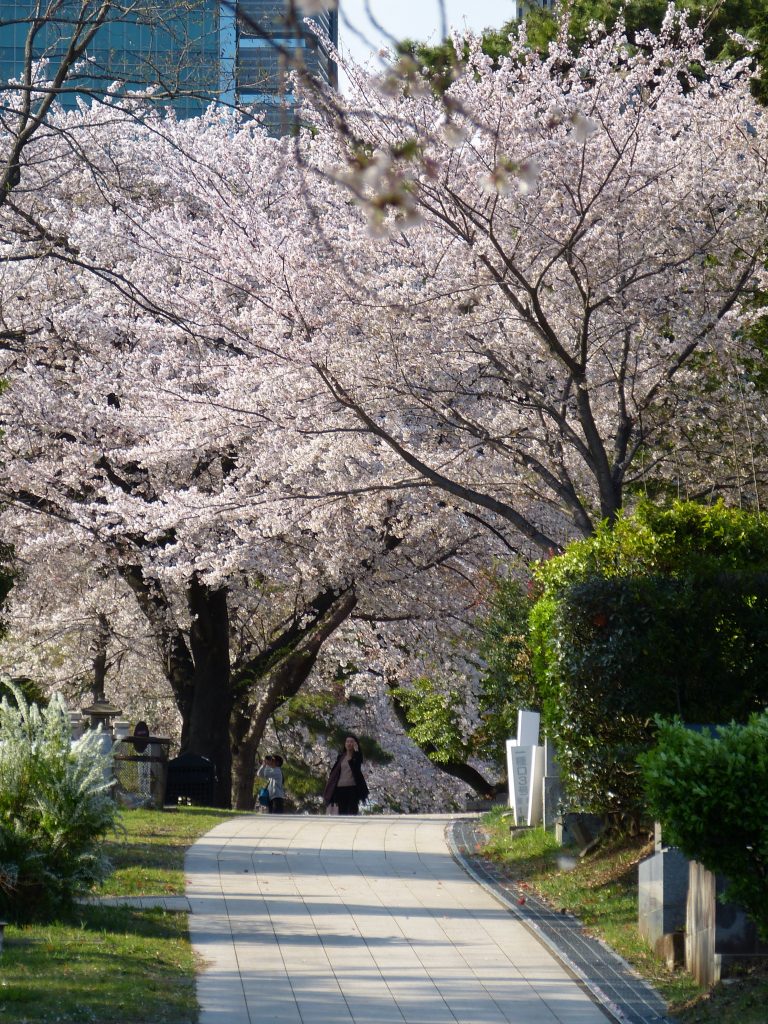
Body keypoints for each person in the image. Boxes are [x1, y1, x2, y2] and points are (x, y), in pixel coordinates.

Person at [323, 735, 369, 815]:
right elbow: (335, 772)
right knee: (341, 812)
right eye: (347, 741)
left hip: (353, 788)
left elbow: (357, 767)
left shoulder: (357, 757)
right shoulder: (341, 757)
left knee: (352, 811)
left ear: (355, 744)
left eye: (351, 742)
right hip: (340, 788)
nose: (349, 743)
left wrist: (357, 750)